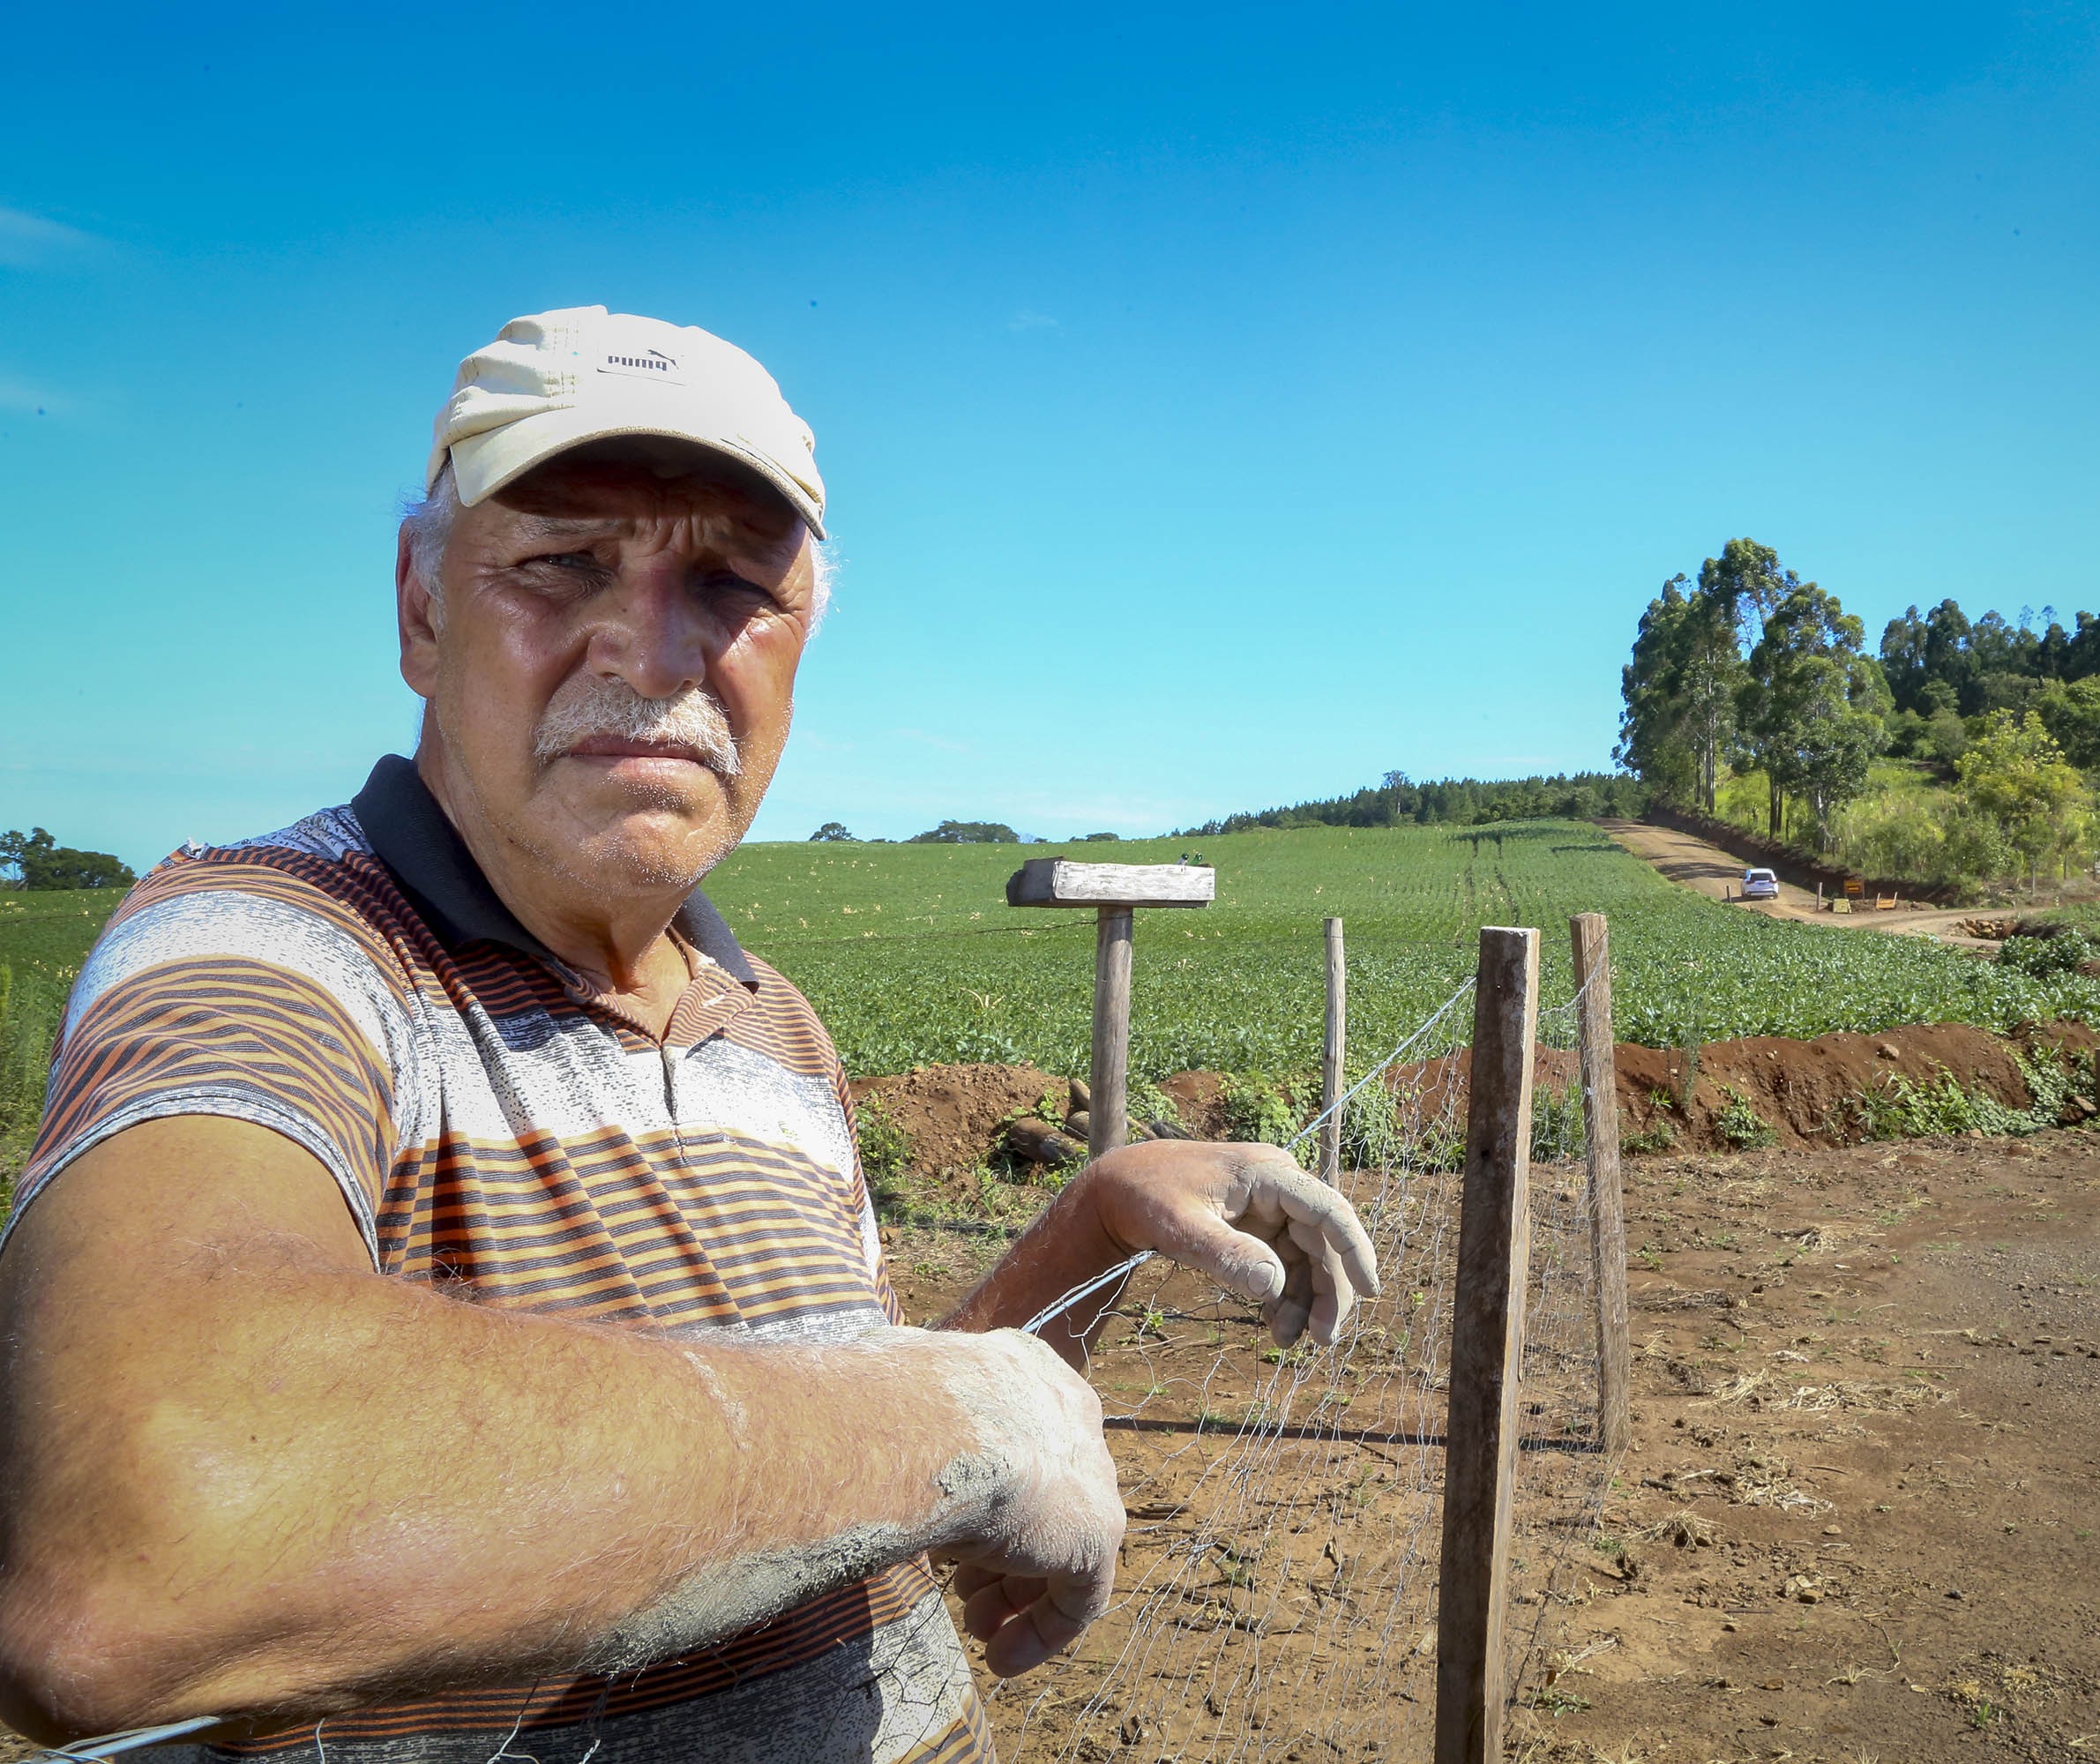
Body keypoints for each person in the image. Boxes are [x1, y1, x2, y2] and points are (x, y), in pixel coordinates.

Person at [0, 307, 1380, 1764]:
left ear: (801, 645)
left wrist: (1088, 1228)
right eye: (560, 561)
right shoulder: (273, 946)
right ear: (420, 605)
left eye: (732, 585)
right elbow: (128, 1539)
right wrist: (953, 1422)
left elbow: (820, 1472)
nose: (653, 651)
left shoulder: (773, 1028)